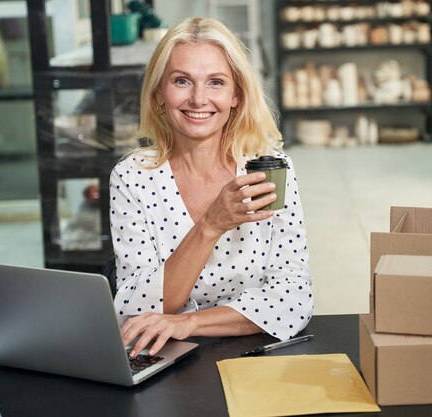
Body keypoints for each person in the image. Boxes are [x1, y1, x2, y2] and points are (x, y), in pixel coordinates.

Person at [109, 17, 313, 357]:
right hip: (167, 360)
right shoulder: (132, 178)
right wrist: (211, 224)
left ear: (236, 95)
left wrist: (188, 323)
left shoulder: (270, 171)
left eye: (216, 82)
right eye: (182, 81)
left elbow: (293, 299)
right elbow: (134, 310)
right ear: (159, 92)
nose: (198, 98)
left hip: (254, 355)